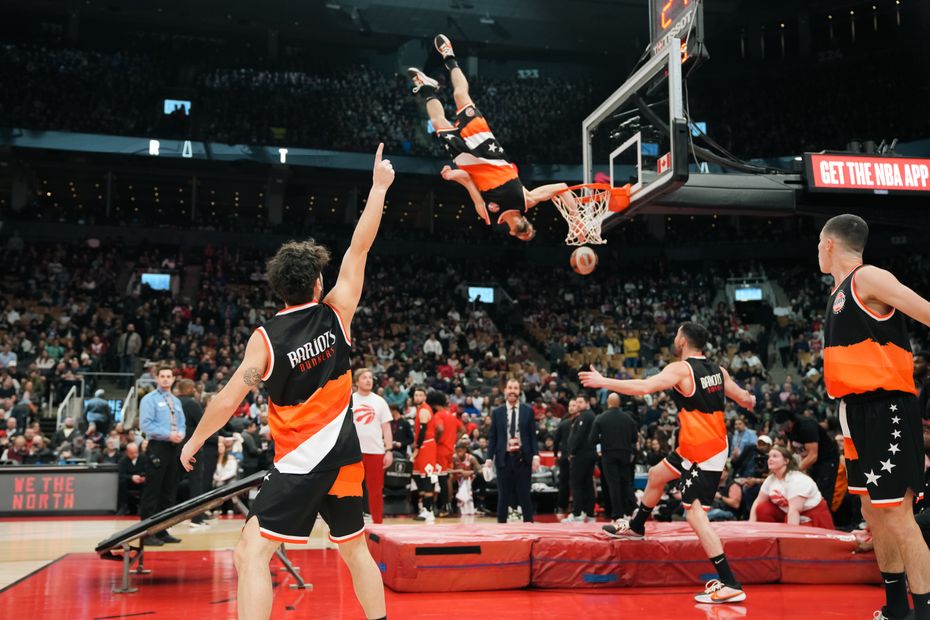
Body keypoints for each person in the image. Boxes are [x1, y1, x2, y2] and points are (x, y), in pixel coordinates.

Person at [180, 144, 393, 620]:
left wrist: (195, 438)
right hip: (345, 461)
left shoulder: (265, 339)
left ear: (279, 288)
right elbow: (360, 246)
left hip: (300, 463)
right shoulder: (337, 312)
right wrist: (378, 187)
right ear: (317, 283)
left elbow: (230, 397)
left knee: (248, 554)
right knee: (355, 550)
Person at [580, 322, 756, 605]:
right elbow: (744, 398)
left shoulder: (680, 369)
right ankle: (637, 527)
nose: (675, 338)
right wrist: (751, 400)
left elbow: (643, 387)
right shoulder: (718, 371)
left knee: (694, 514)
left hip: (704, 452)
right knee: (656, 475)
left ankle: (729, 581)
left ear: (683, 341)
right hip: (693, 446)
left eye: (677, 335)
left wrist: (604, 382)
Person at [818, 214, 930, 620]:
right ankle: (896, 609)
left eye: (818, 244)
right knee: (872, 513)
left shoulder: (869, 278)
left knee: (899, 518)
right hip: (853, 410)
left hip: (888, 409)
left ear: (828, 244)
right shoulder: (838, 292)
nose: (817, 251)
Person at [407, 34, 577, 241]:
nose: (528, 233)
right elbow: (562, 188)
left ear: (512, 233)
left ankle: (426, 88)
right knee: (461, 97)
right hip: (487, 146)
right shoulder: (527, 200)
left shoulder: (488, 214)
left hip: (467, 162)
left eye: (523, 236)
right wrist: (576, 218)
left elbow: (469, 182)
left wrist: (453, 176)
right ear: (529, 222)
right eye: (530, 231)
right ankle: (449, 56)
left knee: (438, 124)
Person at [139, 363, 185, 546]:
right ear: (157, 378)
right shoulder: (149, 399)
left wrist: (180, 434)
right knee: (153, 490)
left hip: (174, 447)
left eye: (169, 376)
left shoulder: (177, 401)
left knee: (168, 491)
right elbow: (146, 425)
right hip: (158, 446)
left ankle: (162, 529)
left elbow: (182, 424)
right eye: (162, 376)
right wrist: (168, 434)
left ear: (174, 379)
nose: (166, 379)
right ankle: (147, 533)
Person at [488, 378, 539, 523]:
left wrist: (536, 455)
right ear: (505, 391)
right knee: (503, 496)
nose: (512, 391)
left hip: (523, 457)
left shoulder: (528, 411)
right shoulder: (497, 412)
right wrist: (488, 459)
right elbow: (493, 437)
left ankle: (529, 526)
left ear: (519, 391)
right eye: (510, 388)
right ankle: (501, 527)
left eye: (515, 388)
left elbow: (532, 436)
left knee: (524, 495)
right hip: (504, 457)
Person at [748, 445, 834, 528]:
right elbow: (758, 502)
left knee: (791, 524)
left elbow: (794, 511)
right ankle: (769, 538)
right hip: (789, 512)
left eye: (775, 456)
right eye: (769, 457)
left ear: (786, 461)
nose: (770, 459)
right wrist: (751, 526)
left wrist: (789, 537)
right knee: (762, 509)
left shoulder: (797, 480)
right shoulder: (771, 479)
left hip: (811, 513)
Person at [775, 407, 840, 513]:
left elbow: (813, 455)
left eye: (785, 427)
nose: (784, 430)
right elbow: (791, 447)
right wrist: (784, 462)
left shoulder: (807, 426)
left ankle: (823, 520)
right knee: (810, 489)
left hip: (827, 459)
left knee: (823, 491)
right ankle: (811, 517)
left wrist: (793, 470)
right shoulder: (788, 429)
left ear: (790, 422)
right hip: (810, 460)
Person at [352, 368, 393, 524]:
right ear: (357, 382)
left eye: (370, 377)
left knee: (375, 490)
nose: (369, 380)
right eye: (364, 377)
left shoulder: (379, 401)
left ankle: (378, 522)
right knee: (350, 490)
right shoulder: (349, 400)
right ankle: (350, 524)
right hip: (353, 452)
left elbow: (387, 428)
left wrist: (388, 450)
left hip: (375, 451)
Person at [590, 392, 639, 521]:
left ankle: (617, 514)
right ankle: (633, 508)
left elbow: (592, 439)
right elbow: (635, 438)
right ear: (619, 403)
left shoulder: (601, 418)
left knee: (613, 484)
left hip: (608, 454)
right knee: (626, 482)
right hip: (625, 453)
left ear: (608, 402)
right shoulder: (628, 418)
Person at [563, 395, 596, 523]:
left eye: (580, 402)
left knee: (576, 484)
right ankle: (589, 512)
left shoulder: (585, 416)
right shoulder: (586, 416)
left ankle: (577, 513)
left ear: (587, 403)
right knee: (587, 484)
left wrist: (571, 452)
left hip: (581, 455)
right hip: (587, 454)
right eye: (576, 402)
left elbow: (579, 436)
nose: (577, 404)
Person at [410, 387, 438, 522]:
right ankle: (425, 508)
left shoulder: (424, 410)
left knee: (426, 477)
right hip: (422, 445)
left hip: (426, 445)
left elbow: (422, 432)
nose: (418, 397)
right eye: (416, 395)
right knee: (417, 475)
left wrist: (416, 448)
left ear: (425, 397)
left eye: (421, 395)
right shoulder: (419, 410)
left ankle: (429, 510)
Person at [434, 393, 464, 516]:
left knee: (439, 479)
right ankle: (447, 506)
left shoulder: (438, 415)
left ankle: (443, 507)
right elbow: (463, 430)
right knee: (446, 479)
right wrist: (453, 441)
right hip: (449, 451)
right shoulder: (451, 416)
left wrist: (435, 441)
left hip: (440, 450)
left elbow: (440, 429)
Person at [552, 403, 574, 516]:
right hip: (574, 457)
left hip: (565, 456)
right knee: (575, 483)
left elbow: (556, 440)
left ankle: (562, 506)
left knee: (564, 483)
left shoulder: (564, 423)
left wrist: (556, 455)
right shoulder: (569, 423)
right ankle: (576, 507)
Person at [117, 442, 146, 515]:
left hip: (141, 481)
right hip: (129, 482)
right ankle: (124, 506)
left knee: (147, 483)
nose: (135, 455)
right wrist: (131, 477)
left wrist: (143, 477)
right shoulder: (122, 461)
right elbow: (121, 474)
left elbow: (148, 471)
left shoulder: (143, 458)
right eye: (132, 453)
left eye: (136, 452)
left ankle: (142, 507)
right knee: (122, 482)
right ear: (127, 452)